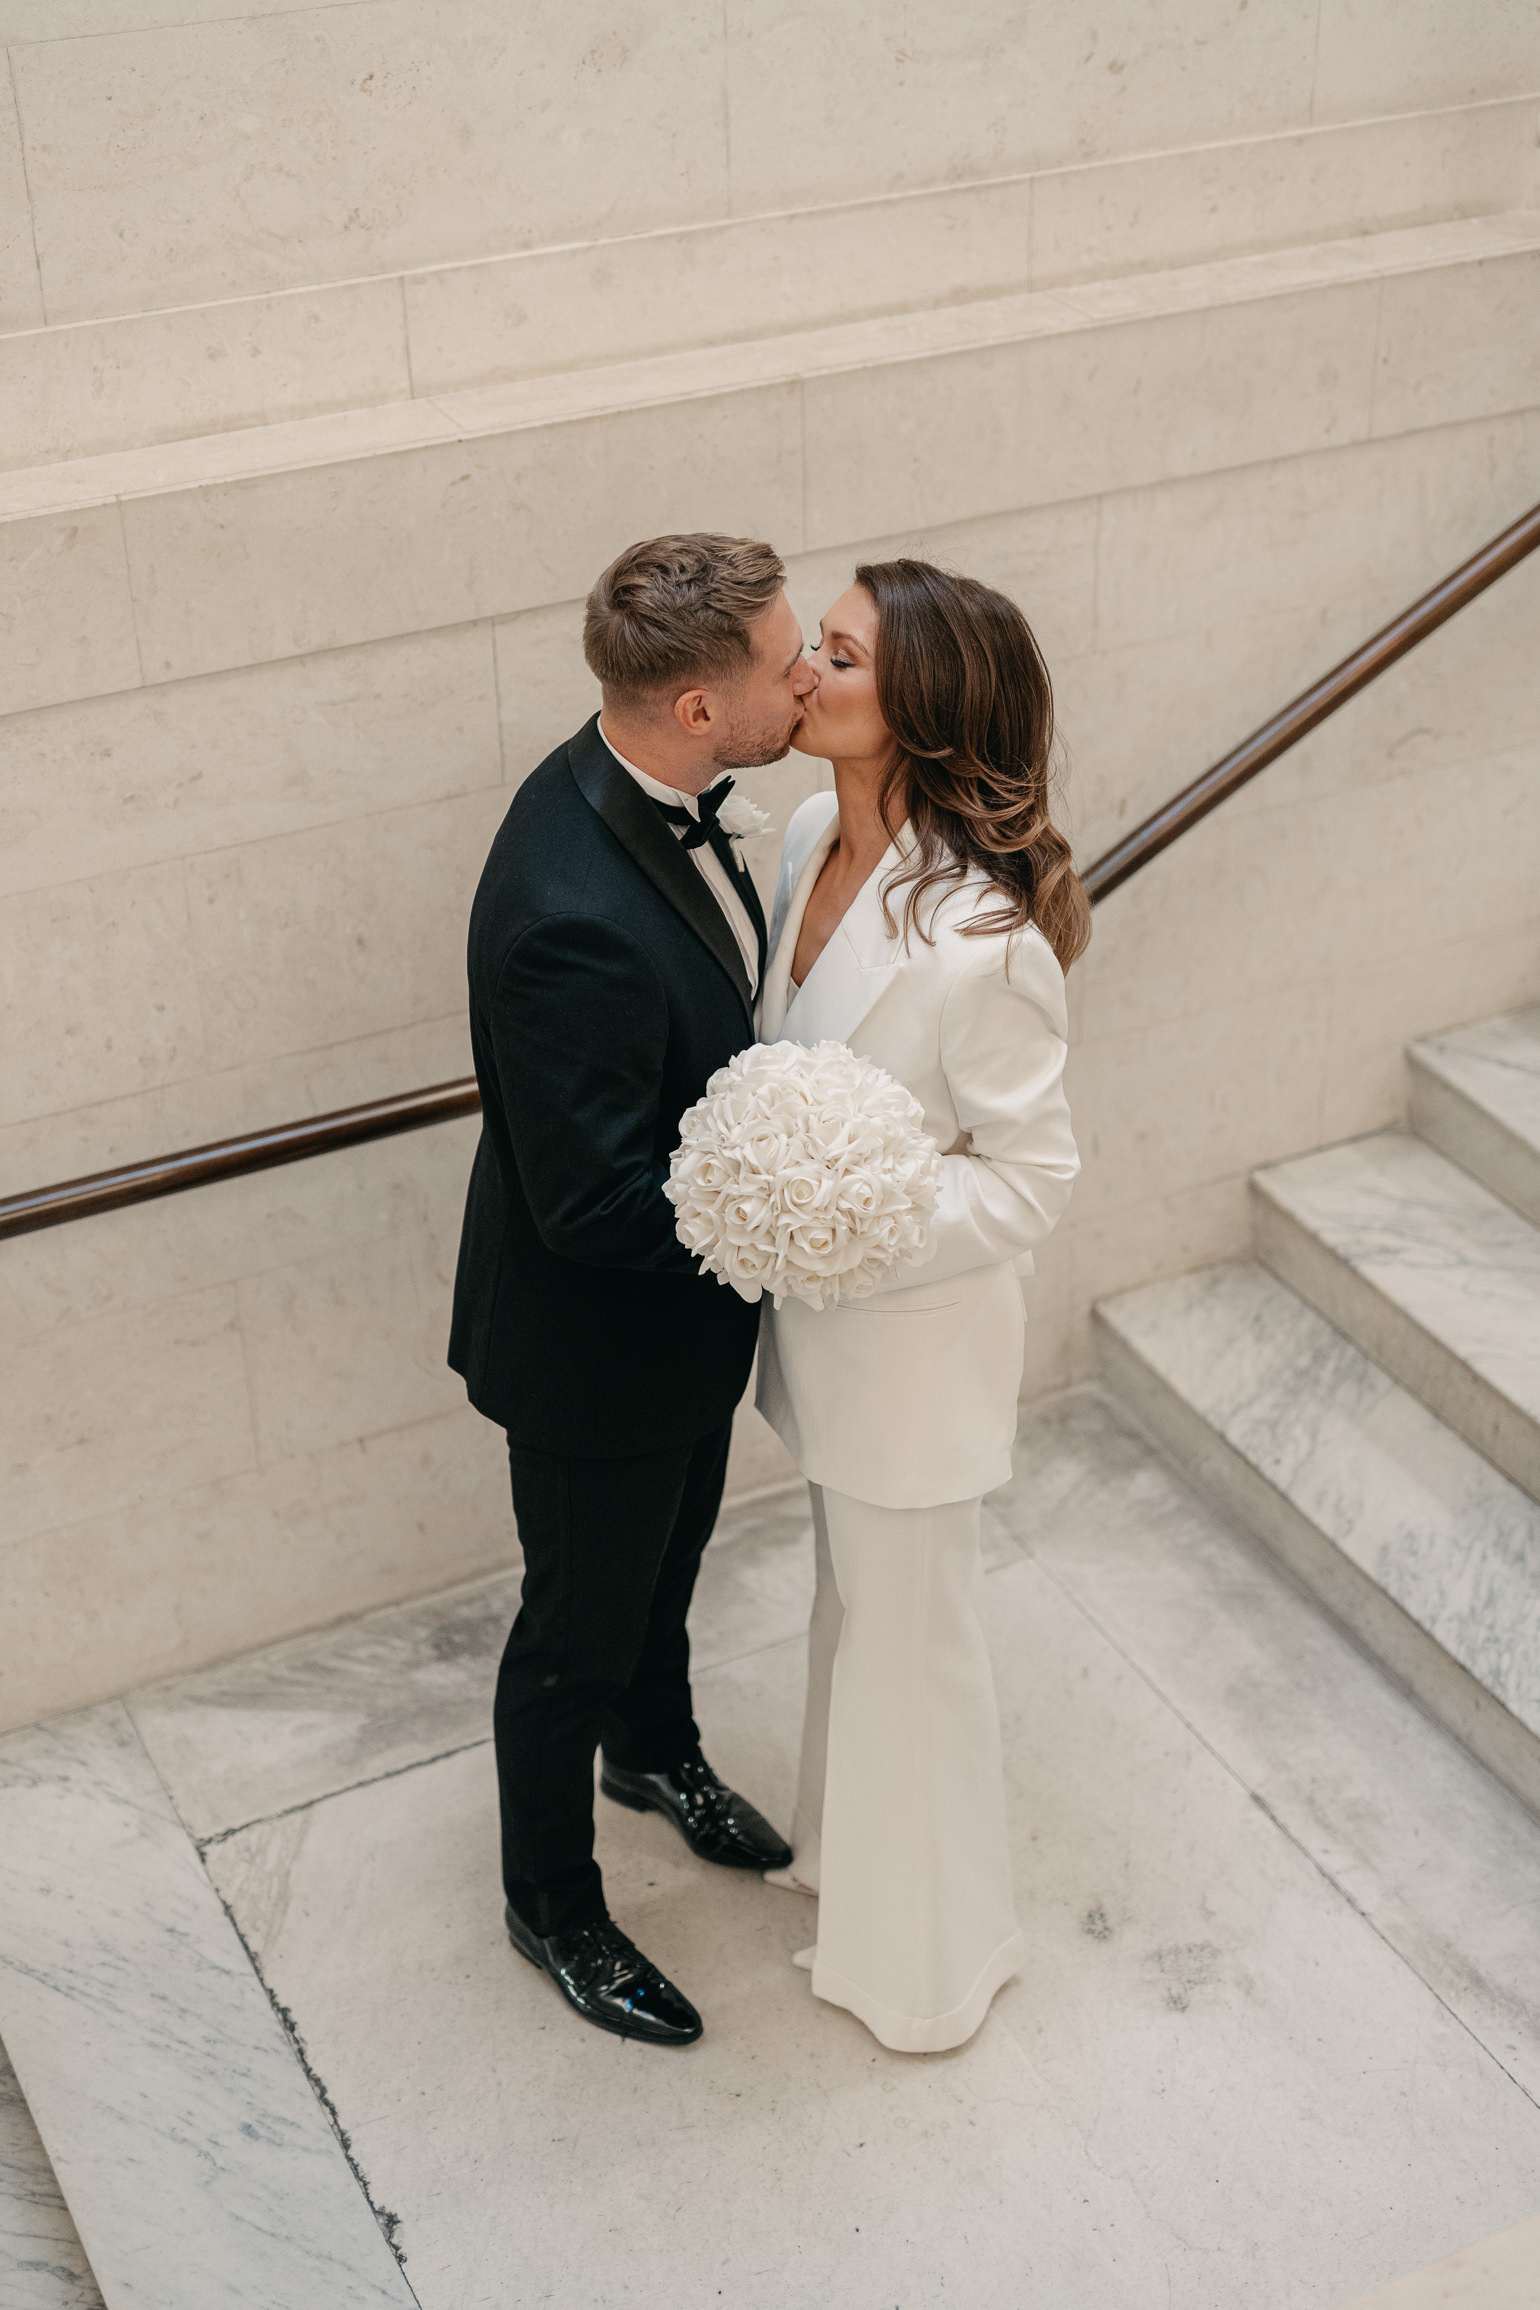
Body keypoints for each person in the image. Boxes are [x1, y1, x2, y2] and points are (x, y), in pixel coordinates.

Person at [449, 534, 815, 2047]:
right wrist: (791, 1220)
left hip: (681, 1334)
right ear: (692, 710)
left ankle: (652, 1753)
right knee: (572, 1631)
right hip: (599, 1352)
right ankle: (555, 1904)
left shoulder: (652, 788)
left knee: (668, 1571)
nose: (806, 681)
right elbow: (595, 1201)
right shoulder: (567, 910)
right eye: (783, 668)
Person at [756, 558, 1088, 2053]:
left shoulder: (987, 944)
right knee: (852, 1613)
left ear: (925, 708)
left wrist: (847, 1218)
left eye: (838, 656)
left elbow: (1030, 1180)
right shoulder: (811, 831)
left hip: (910, 1348)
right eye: (817, 647)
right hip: (822, 1342)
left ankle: (931, 1971)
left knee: (915, 1644)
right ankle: (845, 1867)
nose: (806, 674)